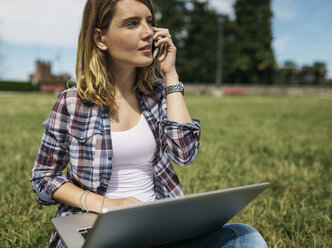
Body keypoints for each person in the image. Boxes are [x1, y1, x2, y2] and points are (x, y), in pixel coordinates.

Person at [31, 0, 267, 247]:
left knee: (243, 235)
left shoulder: (158, 93)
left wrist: (170, 75)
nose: (148, 32)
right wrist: (105, 205)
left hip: (160, 230)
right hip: (99, 232)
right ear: (100, 38)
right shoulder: (71, 103)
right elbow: (43, 178)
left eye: (150, 21)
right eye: (132, 23)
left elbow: (184, 154)